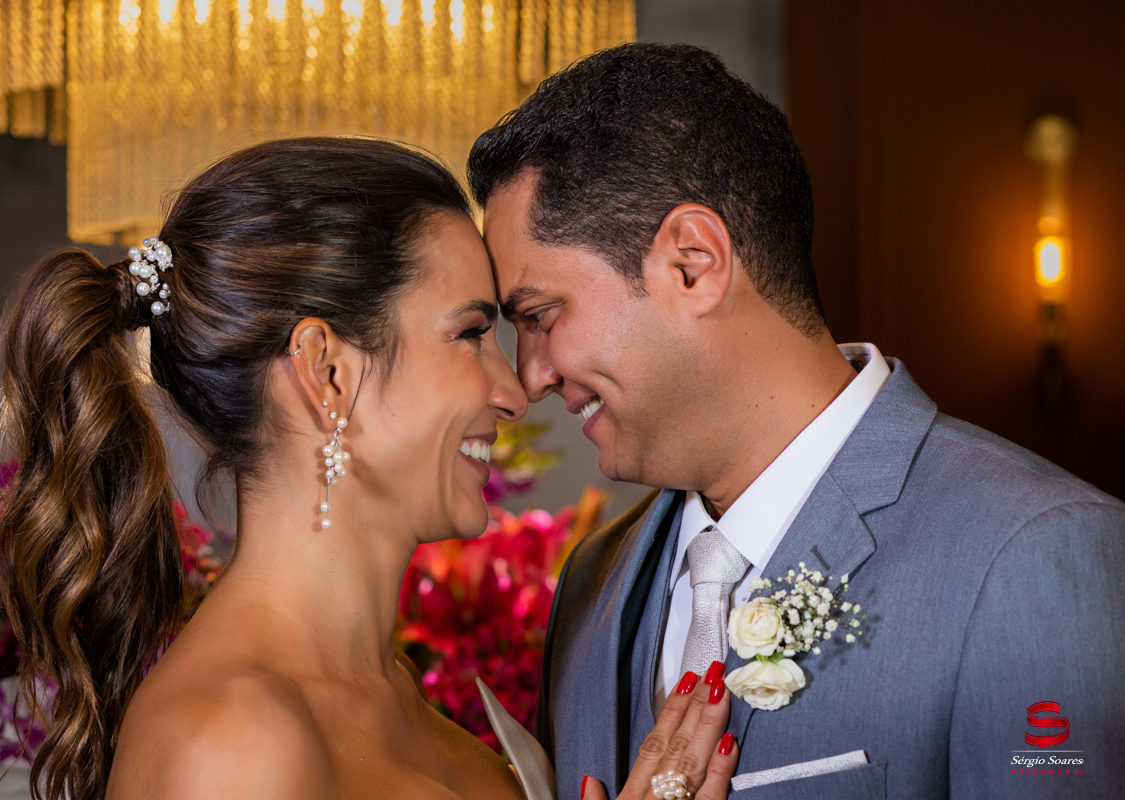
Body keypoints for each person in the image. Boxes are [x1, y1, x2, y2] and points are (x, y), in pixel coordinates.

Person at [468, 42, 1125, 800]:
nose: (531, 376)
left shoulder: (1035, 555)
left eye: (541, 316)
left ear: (693, 263)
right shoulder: (592, 580)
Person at [0, 137, 738, 800]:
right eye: (470, 334)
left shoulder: (398, 701)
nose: (514, 392)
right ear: (327, 372)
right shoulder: (228, 738)